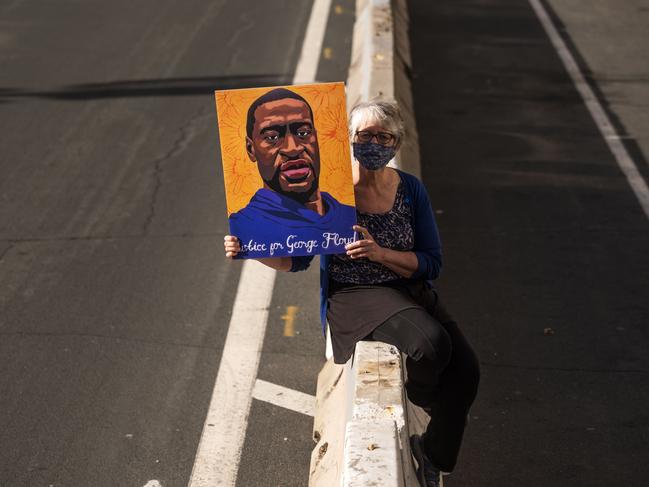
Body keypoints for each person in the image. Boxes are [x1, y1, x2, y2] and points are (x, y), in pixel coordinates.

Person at [224, 100, 480, 486]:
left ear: (396, 143)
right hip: (356, 294)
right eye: (364, 135)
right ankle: (422, 398)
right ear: (348, 139)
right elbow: (296, 261)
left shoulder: (410, 189)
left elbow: (432, 262)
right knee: (430, 345)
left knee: (468, 372)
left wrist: (381, 253)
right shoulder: (330, 193)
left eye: (384, 136)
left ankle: (434, 455)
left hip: (407, 287)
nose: (374, 143)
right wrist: (250, 251)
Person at [228, 87, 355, 259]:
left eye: (303, 133)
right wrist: (242, 249)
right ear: (251, 149)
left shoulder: (349, 217)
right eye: (272, 137)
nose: (292, 148)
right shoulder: (245, 227)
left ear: (316, 139)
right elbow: (295, 263)